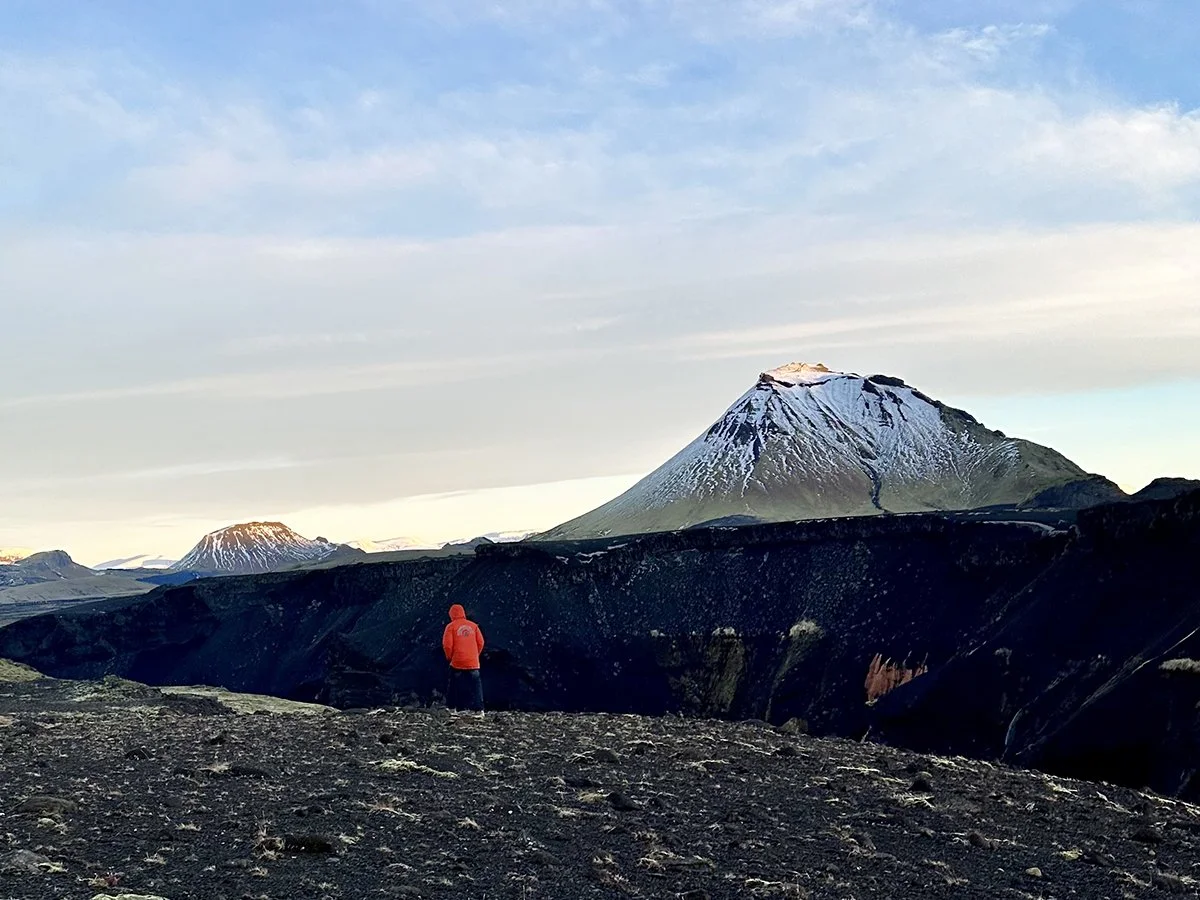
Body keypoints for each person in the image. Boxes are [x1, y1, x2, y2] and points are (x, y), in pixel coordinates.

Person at [442, 604, 485, 713]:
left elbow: (447, 645)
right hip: (473, 661)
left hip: (457, 661)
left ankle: (452, 708)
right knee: (476, 685)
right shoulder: (474, 626)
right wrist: (475, 655)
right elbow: (481, 642)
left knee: (454, 684)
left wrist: (449, 657)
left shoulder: (451, 627)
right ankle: (479, 710)